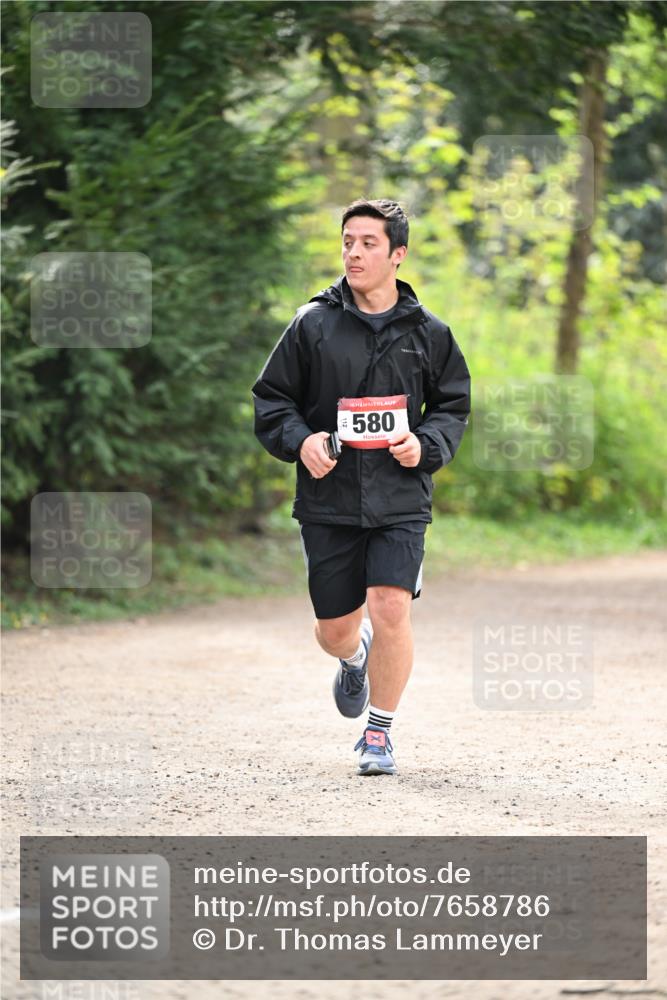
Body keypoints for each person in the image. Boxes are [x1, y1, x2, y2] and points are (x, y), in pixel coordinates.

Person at [252, 198, 471, 776]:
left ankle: (379, 734)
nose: (354, 252)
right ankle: (354, 657)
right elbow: (272, 400)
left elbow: (452, 406)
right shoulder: (312, 325)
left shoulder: (430, 334)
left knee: (392, 606)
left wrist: (425, 445)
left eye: (368, 243)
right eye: (348, 241)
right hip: (329, 500)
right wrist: (301, 441)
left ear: (397, 255)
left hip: (401, 498)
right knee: (335, 629)